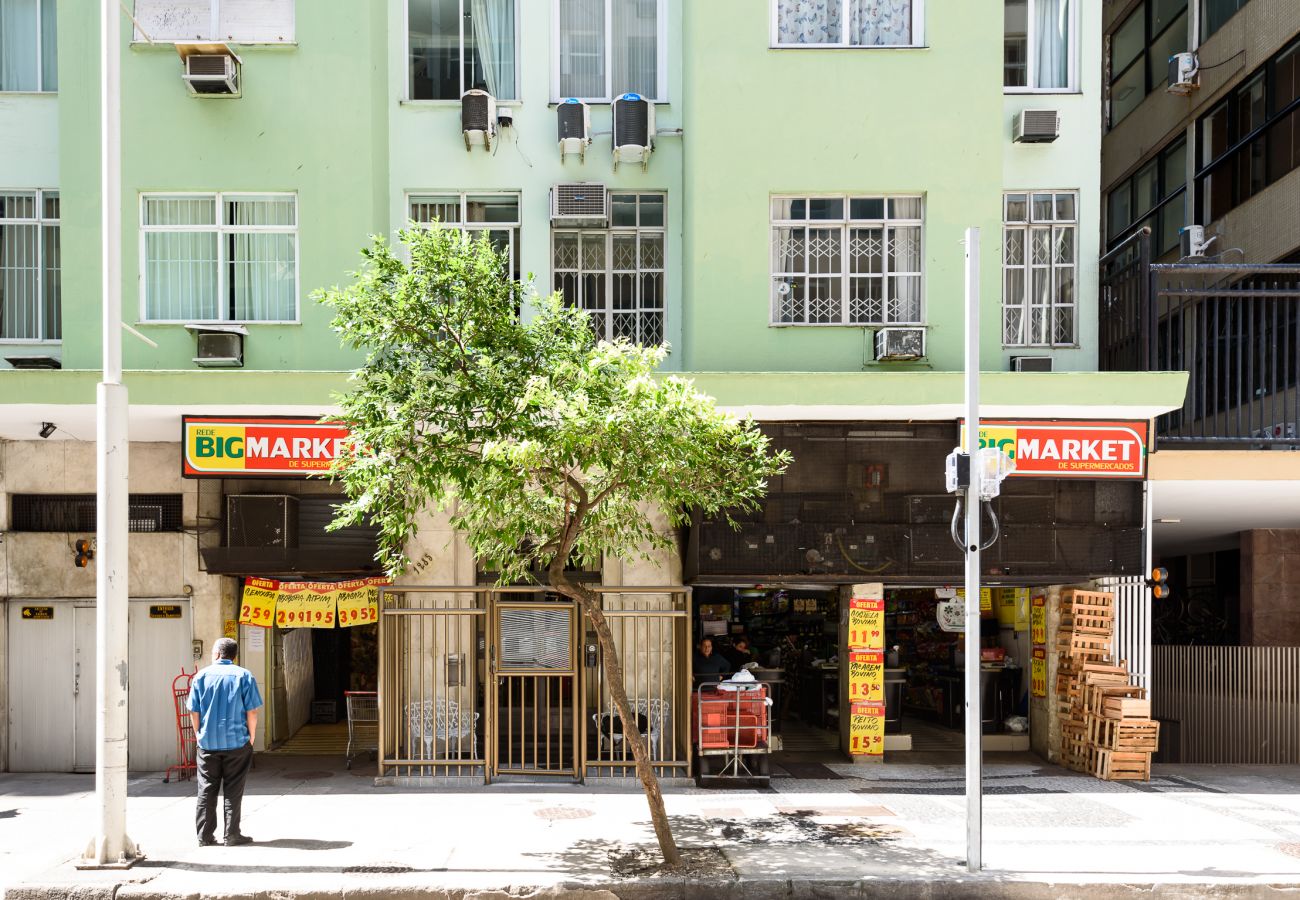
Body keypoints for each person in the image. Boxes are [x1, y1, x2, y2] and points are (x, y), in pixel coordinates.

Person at [188, 637, 263, 847]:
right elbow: (252, 711)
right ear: (233, 656)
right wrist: (252, 736)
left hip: (207, 743)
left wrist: (198, 734)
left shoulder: (200, 676)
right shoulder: (244, 676)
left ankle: (204, 836)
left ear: (218, 654)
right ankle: (231, 835)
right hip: (237, 742)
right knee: (233, 789)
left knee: (206, 789)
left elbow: (193, 711)